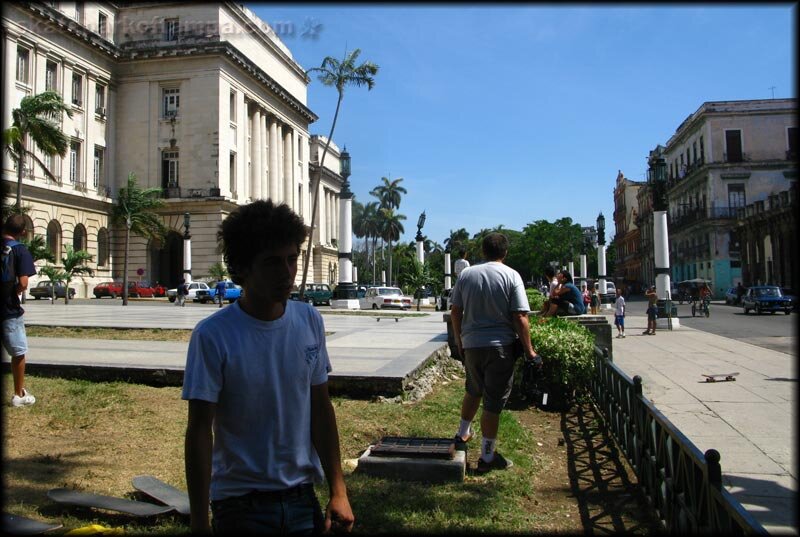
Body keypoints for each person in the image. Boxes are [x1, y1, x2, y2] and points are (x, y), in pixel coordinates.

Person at [183, 200, 354, 534]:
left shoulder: (309, 320)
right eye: (273, 262)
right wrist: (199, 521)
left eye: (292, 259)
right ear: (244, 268)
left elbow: (320, 408)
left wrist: (338, 489)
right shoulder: (213, 335)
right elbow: (200, 429)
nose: (287, 272)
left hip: (302, 498)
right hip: (240, 505)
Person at [450, 232, 540, 474]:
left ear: (483, 251)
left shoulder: (467, 274)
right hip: (500, 347)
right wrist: (530, 350)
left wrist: (460, 340)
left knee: (473, 389)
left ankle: (462, 433)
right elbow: (520, 316)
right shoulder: (511, 275)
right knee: (492, 403)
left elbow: (455, 310)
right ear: (505, 252)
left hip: (471, 345)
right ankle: (487, 457)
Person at [2, 214, 38, 407]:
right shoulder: (20, 250)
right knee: (18, 352)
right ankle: (18, 394)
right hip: (8, 309)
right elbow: (23, 283)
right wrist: (13, 292)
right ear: (23, 232)